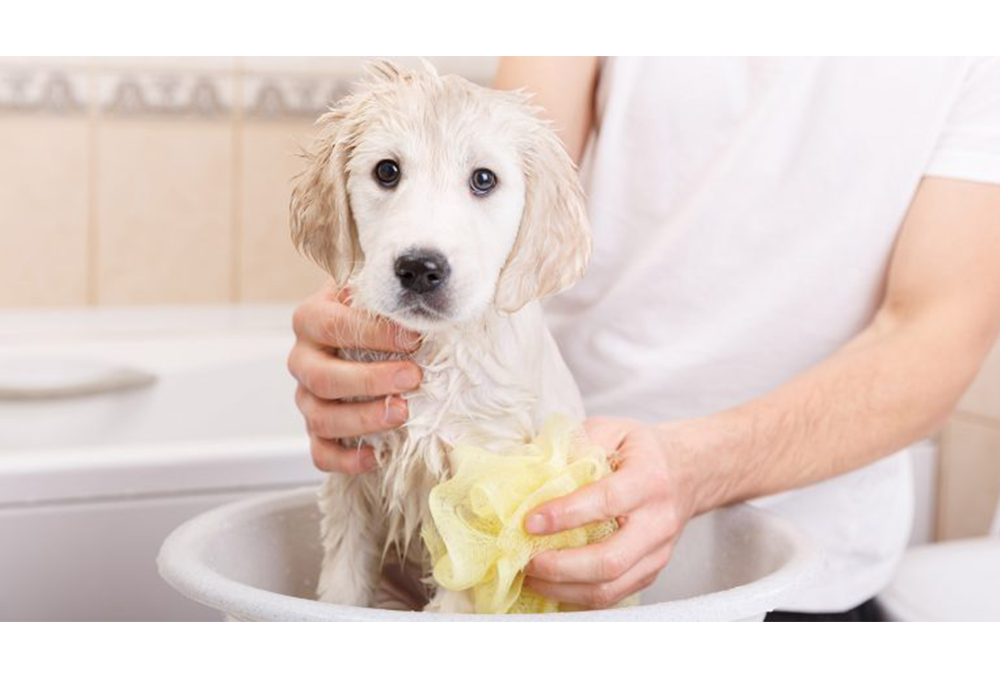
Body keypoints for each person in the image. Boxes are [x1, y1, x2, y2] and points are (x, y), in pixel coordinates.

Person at [287, 55, 1000, 620]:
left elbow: (934, 335)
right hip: (543, 482)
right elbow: (514, 163)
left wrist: (696, 467)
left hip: (801, 560)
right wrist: (367, 317)